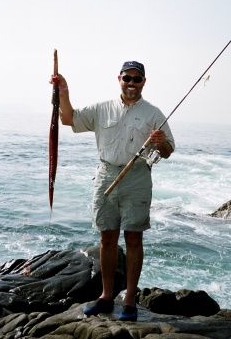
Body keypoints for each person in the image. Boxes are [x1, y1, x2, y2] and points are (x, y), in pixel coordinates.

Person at [53, 61, 175, 321]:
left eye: (137, 79)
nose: (131, 84)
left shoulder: (154, 113)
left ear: (144, 82)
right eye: (127, 78)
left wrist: (161, 143)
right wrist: (63, 90)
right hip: (106, 173)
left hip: (138, 176)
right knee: (107, 237)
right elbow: (67, 119)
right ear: (119, 78)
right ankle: (106, 296)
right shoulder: (101, 108)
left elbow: (167, 152)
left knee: (133, 238)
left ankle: (129, 298)